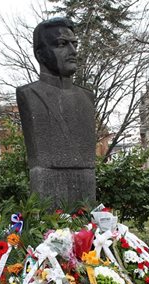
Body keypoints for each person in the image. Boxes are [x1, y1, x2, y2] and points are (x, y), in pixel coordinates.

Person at [16, 17, 97, 207]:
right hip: (49, 217)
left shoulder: (86, 97)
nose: (73, 51)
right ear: (40, 54)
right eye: (62, 44)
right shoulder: (29, 94)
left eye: (74, 44)